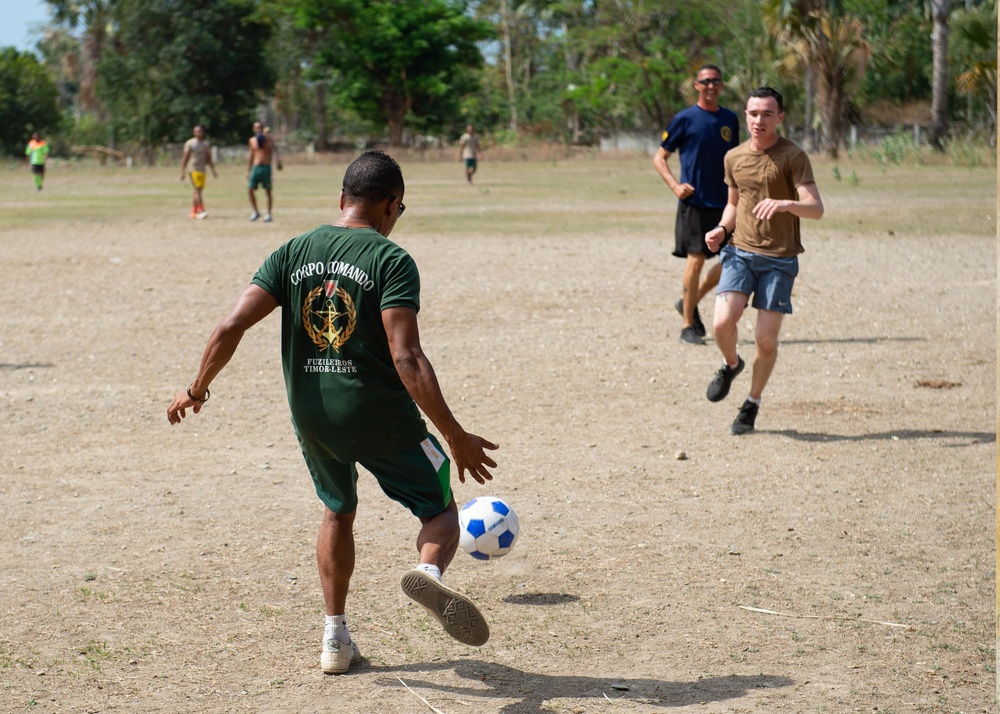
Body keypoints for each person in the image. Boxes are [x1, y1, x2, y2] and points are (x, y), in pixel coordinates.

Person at [167, 150, 499, 675]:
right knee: (440, 512)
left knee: (337, 511)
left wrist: (197, 389)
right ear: (391, 205)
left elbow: (230, 326)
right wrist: (454, 435)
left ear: (342, 198)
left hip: (312, 415)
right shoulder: (391, 260)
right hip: (379, 415)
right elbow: (406, 356)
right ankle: (429, 577)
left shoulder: (294, 251)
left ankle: (335, 638)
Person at [703, 87, 824, 434]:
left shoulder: (793, 156)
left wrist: (786, 204)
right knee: (722, 324)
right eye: (753, 113)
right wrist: (721, 229)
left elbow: (816, 209)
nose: (759, 120)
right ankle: (731, 364)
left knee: (766, 341)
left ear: (780, 117)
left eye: (767, 114)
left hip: (780, 260)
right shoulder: (734, 157)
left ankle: (751, 403)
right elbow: (733, 203)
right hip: (740, 252)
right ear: (745, 115)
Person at [653, 65, 740, 345]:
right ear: (697, 86)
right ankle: (688, 324)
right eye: (706, 81)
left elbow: (736, 160)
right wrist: (676, 186)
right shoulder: (684, 119)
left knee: (733, 260)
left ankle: (688, 301)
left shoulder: (730, 119)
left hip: (726, 203)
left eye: (716, 81)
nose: (711, 86)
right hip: (695, 202)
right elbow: (659, 157)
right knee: (696, 259)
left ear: (721, 85)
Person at [180, 125, 218, 219]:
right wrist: (182, 171)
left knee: (198, 190)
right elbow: (185, 158)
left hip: (202, 169)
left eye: (200, 131)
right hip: (193, 169)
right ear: (194, 132)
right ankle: (201, 210)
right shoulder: (190, 143)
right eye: (197, 131)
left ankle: (193, 212)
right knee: (197, 189)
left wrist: (213, 170)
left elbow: (209, 158)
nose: (199, 133)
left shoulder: (205, 144)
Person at [247, 120, 282, 222]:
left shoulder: (269, 139)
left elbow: (274, 150)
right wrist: (248, 170)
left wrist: (278, 161)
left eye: (260, 128)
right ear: (254, 129)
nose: (258, 130)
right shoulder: (252, 140)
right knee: (250, 189)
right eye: (256, 128)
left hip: (266, 167)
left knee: (268, 191)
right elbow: (251, 156)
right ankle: (255, 212)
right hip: (255, 167)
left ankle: (268, 214)